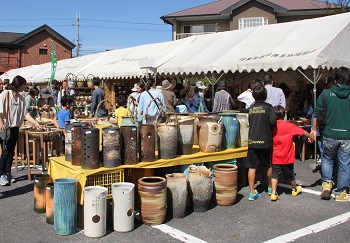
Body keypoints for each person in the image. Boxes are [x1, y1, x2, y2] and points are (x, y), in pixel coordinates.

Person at [311, 67, 350, 201]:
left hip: (328, 133)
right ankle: (341, 193)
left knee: (327, 159)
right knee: (344, 163)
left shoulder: (325, 94)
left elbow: (316, 113)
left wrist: (314, 129)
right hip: (347, 135)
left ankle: (327, 184)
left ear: (335, 79)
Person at [0, 75, 41, 186]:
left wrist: (35, 123)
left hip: (15, 127)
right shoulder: (5, 94)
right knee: (5, 150)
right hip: (5, 126)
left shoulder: (22, 98)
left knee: (11, 150)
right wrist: (1, 123)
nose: (25, 87)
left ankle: (8, 173)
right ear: (19, 85)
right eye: (24, 85)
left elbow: (25, 114)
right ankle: (1, 173)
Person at [270, 105, 314, 201]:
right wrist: (311, 137)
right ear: (284, 115)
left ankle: (273, 192)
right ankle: (294, 189)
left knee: (275, 174)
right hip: (287, 156)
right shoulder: (289, 126)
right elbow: (302, 132)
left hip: (275, 155)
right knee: (290, 175)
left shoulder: (272, 127)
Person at [245, 85, 276, 201]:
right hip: (265, 140)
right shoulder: (268, 107)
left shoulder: (251, 108)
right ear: (265, 95)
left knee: (252, 167)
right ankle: (270, 187)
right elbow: (273, 122)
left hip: (252, 140)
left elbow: (249, 122)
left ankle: (252, 192)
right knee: (267, 165)